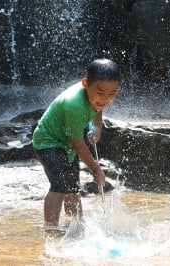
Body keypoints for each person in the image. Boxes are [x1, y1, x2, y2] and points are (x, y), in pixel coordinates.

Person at [32, 58, 120, 227]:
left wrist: (97, 128)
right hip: (48, 141)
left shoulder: (98, 97)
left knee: (72, 186)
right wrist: (96, 169)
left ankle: (77, 224)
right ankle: (50, 227)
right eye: (100, 93)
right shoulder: (74, 104)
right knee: (59, 184)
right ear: (85, 83)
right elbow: (77, 143)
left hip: (65, 143)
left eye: (112, 94)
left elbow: (98, 108)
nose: (106, 99)